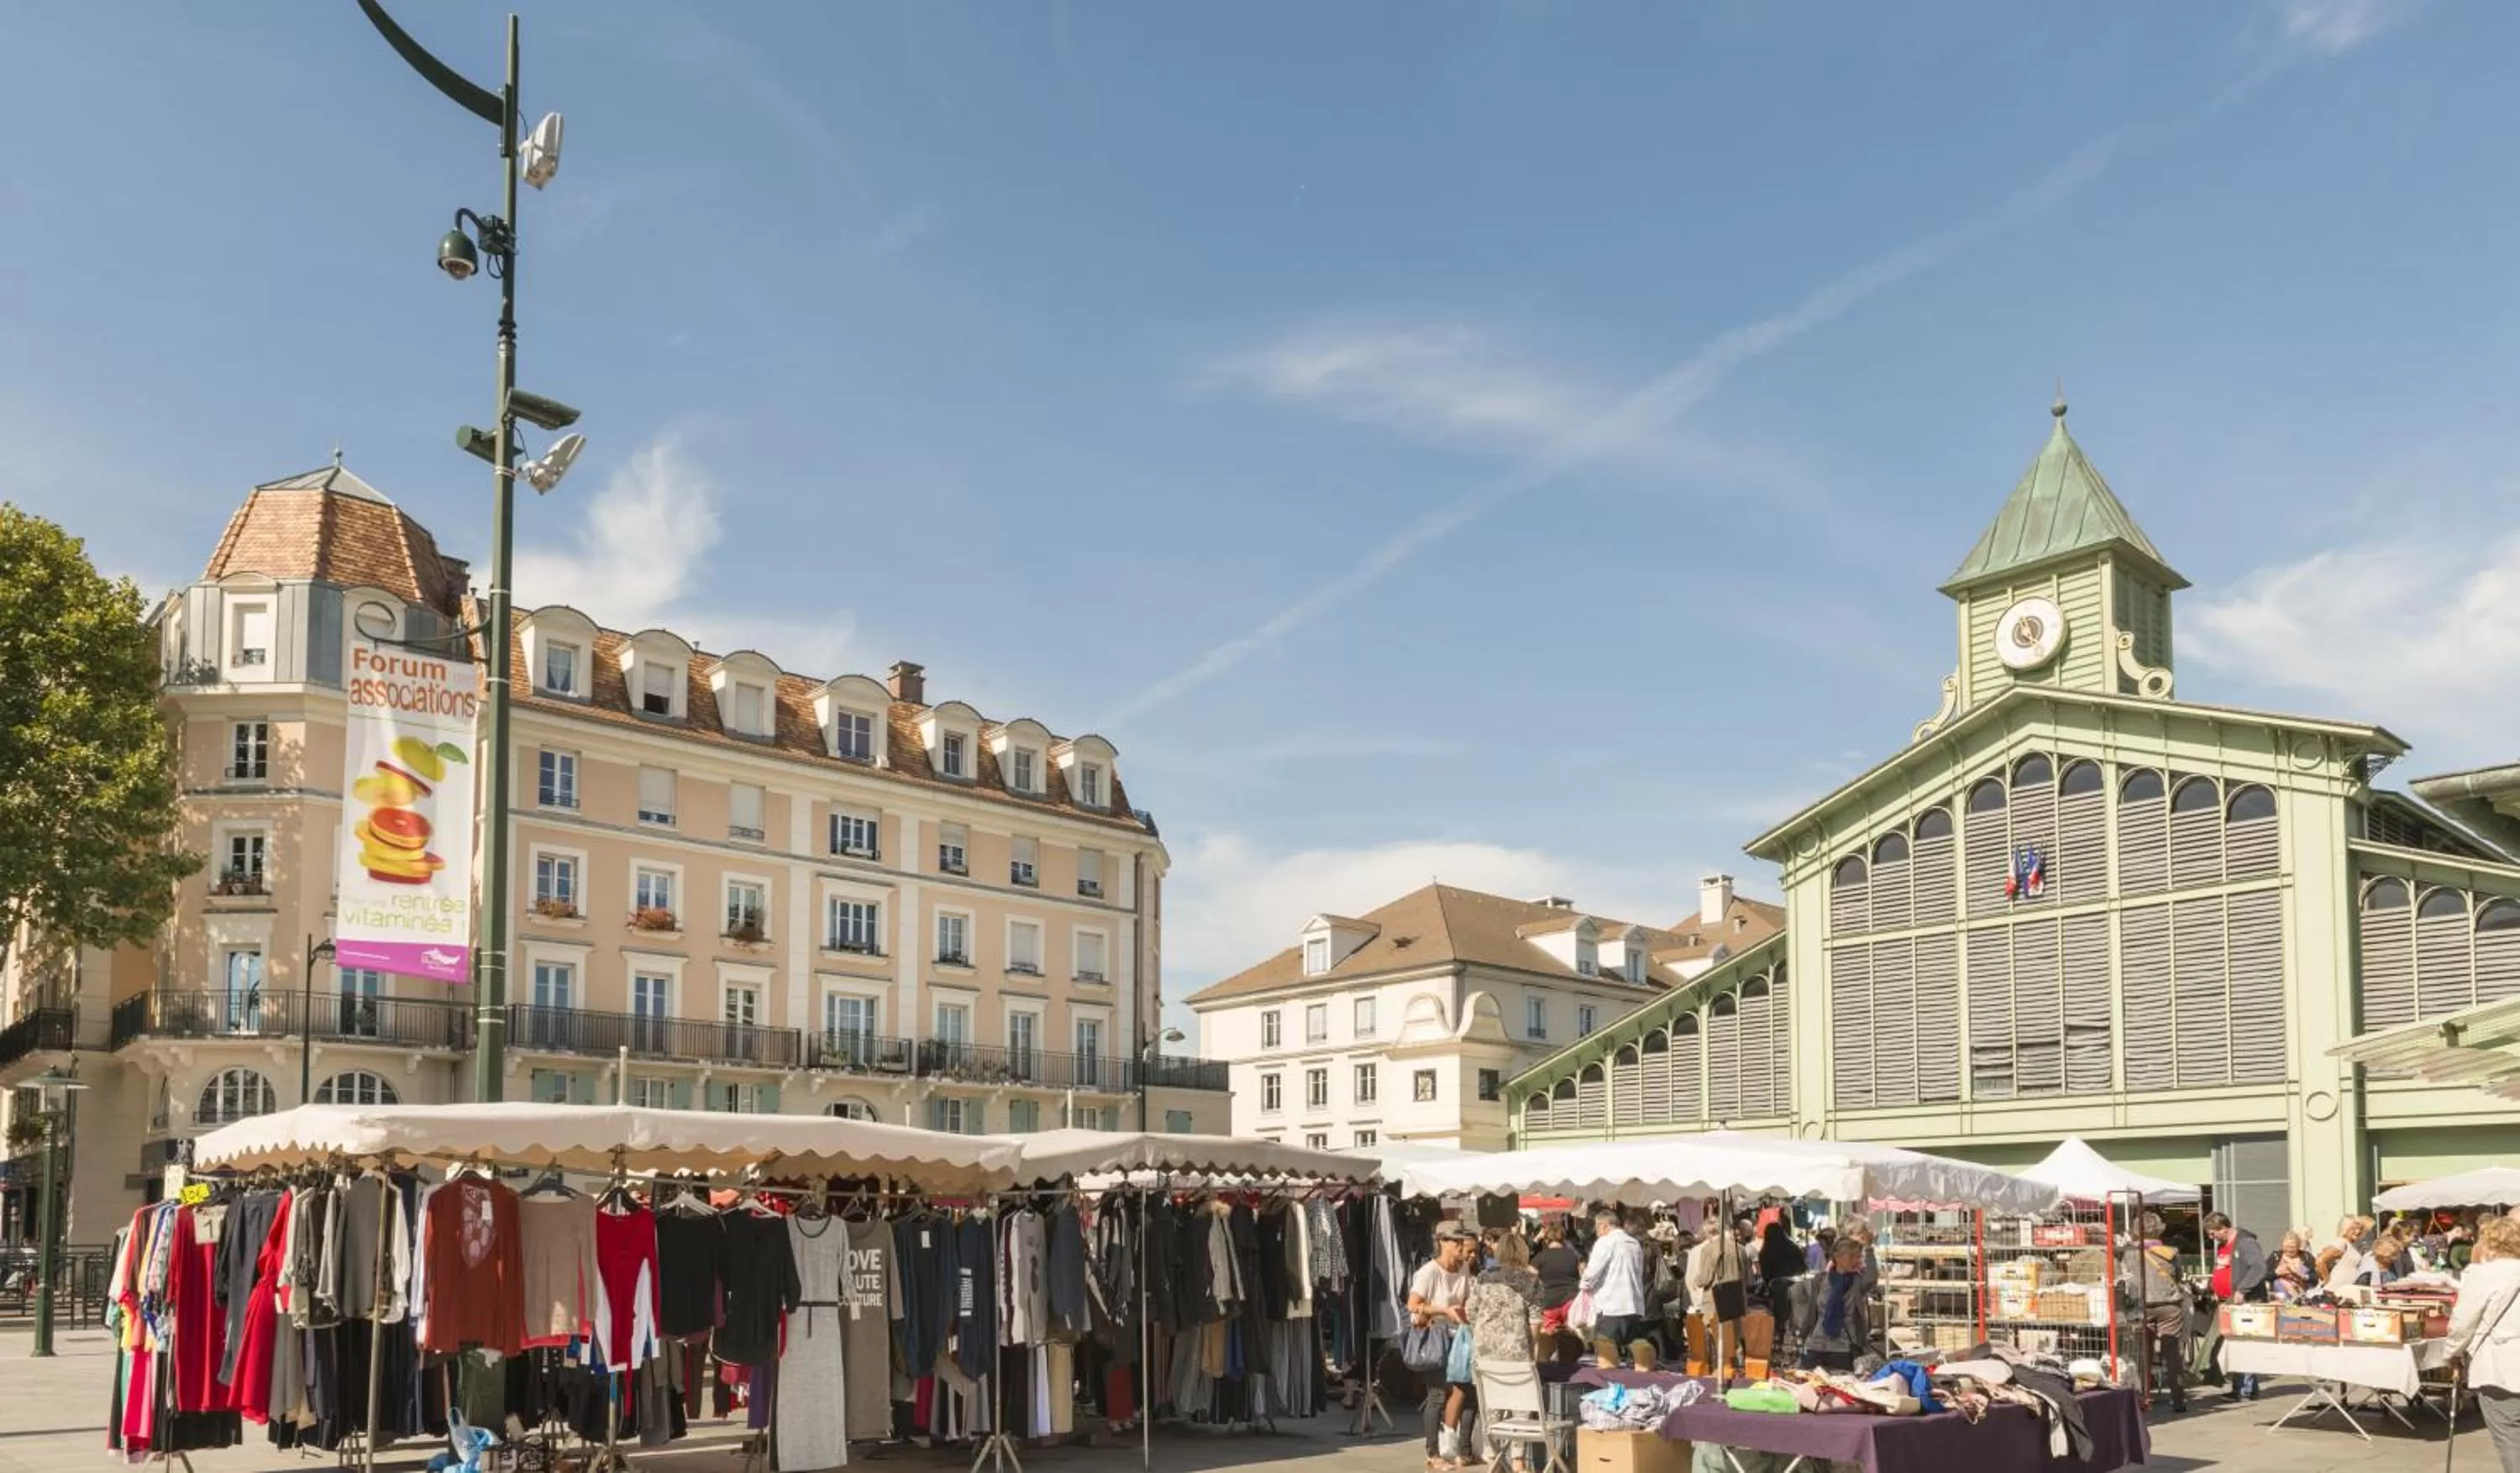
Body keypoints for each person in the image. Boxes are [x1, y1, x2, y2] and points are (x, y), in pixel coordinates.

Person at [2450, 1215, 2520, 1473]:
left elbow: (2461, 1323)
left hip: (2502, 1364)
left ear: (2490, 1245)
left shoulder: (2483, 1275)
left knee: (2510, 1435)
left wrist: (2452, 1354)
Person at [1410, 1224, 1477, 1470]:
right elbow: (1413, 1305)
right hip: (1435, 1336)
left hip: (1459, 1335)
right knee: (1437, 1394)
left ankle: (1462, 1448)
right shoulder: (1428, 1272)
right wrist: (1443, 1310)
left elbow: (1467, 1298)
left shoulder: (1464, 1268)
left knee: (1467, 1391)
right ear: (1442, 1242)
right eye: (1456, 1241)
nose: (1461, 1246)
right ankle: (1433, 1453)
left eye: (1462, 1241)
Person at [2119, 1212, 2191, 1413]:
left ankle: (2144, 1397)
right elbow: (2178, 1275)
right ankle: (2179, 1399)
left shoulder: (2129, 1252)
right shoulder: (2171, 1251)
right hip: (2169, 1304)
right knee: (2172, 1353)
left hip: (2142, 1305)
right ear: (2159, 1229)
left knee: (2144, 1354)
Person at [2205, 1212, 2269, 1401]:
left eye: (2212, 1233)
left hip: (2245, 1302)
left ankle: (2245, 1389)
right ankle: (2242, 1387)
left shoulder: (2245, 1243)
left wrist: (2242, 1289)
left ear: (2223, 1228)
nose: (2211, 1238)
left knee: (2244, 1344)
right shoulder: (2223, 1246)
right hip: (2227, 1302)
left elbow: (2259, 1267)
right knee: (2235, 1345)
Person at [1790, 1237, 1872, 1371]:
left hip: (1843, 1348)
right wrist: (1800, 1331)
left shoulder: (1857, 1282)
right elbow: (1803, 1302)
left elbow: (1871, 1278)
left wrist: (1869, 1248)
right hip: (1815, 1346)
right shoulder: (1820, 1281)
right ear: (1837, 1257)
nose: (1856, 1261)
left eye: (1858, 1257)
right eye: (1852, 1256)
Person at [1578, 1208, 1648, 1354]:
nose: (1596, 1232)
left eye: (1596, 1227)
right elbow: (1640, 1273)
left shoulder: (1605, 1242)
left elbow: (1591, 1275)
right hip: (1634, 1306)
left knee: (1607, 1357)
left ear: (1603, 1225)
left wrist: (1583, 1279)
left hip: (1611, 1307)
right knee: (1631, 1357)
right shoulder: (1634, 1244)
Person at [1532, 1224, 1583, 1339]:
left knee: (1547, 1342)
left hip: (1548, 1304)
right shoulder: (1574, 1255)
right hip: (1571, 1302)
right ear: (1564, 1239)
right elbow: (1585, 1277)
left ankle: (1546, 1355)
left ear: (1546, 1240)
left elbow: (1530, 1278)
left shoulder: (1540, 1257)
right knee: (1570, 1340)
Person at [1757, 1220, 1804, 1313]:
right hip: (1797, 1288)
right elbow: (1802, 1267)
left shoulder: (1765, 1253)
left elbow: (1766, 1275)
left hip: (1777, 1291)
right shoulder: (1793, 1248)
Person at [2319, 1214, 2375, 1291]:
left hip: (2345, 1289)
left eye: (2360, 1229)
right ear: (2345, 1229)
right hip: (2335, 1289)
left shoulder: (2351, 1244)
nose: (2358, 1232)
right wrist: (2327, 1282)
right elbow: (2320, 1261)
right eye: (2353, 1229)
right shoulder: (2342, 1243)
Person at [2269, 1231, 2318, 1303]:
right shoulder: (2275, 1257)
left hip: (2303, 1299)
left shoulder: (2306, 1257)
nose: (2289, 1250)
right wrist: (2276, 1273)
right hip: (2280, 1299)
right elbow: (2263, 1275)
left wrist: (2303, 1276)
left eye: (2292, 1247)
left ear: (2299, 1246)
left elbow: (2316, 1276)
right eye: (2286, 1247)